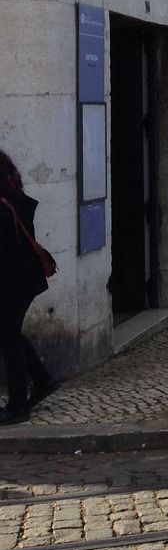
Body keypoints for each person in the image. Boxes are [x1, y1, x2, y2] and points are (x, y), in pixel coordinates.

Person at [0, 149, 56, 425]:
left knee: (7, 338)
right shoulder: (13, 197)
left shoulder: (3, 205)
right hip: (22, 280)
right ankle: (43, 379)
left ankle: (18, 405)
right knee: (9, 332)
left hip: (12, 281)